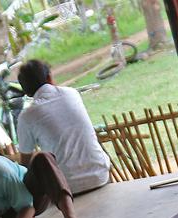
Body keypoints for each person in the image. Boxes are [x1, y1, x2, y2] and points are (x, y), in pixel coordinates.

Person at [15, 59, 111, 194]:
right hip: (100, 175)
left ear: (27, 91)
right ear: (49, 77)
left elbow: (26, 163)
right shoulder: (72, 94)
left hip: (66, 188)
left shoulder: (27, 116)